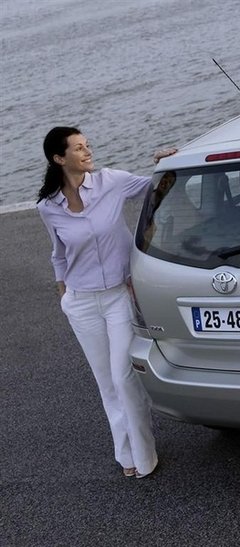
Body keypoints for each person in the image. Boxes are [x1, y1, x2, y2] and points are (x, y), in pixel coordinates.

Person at [36, 126, 176, 479]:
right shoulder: (48, 207)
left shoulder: (111, 181)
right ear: (59, 158)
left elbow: (157, 187)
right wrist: (62, 292)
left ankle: (146, 455)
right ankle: (125, 452)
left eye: (87, 146)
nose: (87, 152)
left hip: (117, 296)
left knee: (123, 376)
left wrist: (166, 163)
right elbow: (59, 253)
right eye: (78, 148)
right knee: (106, 382)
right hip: (81, 303)